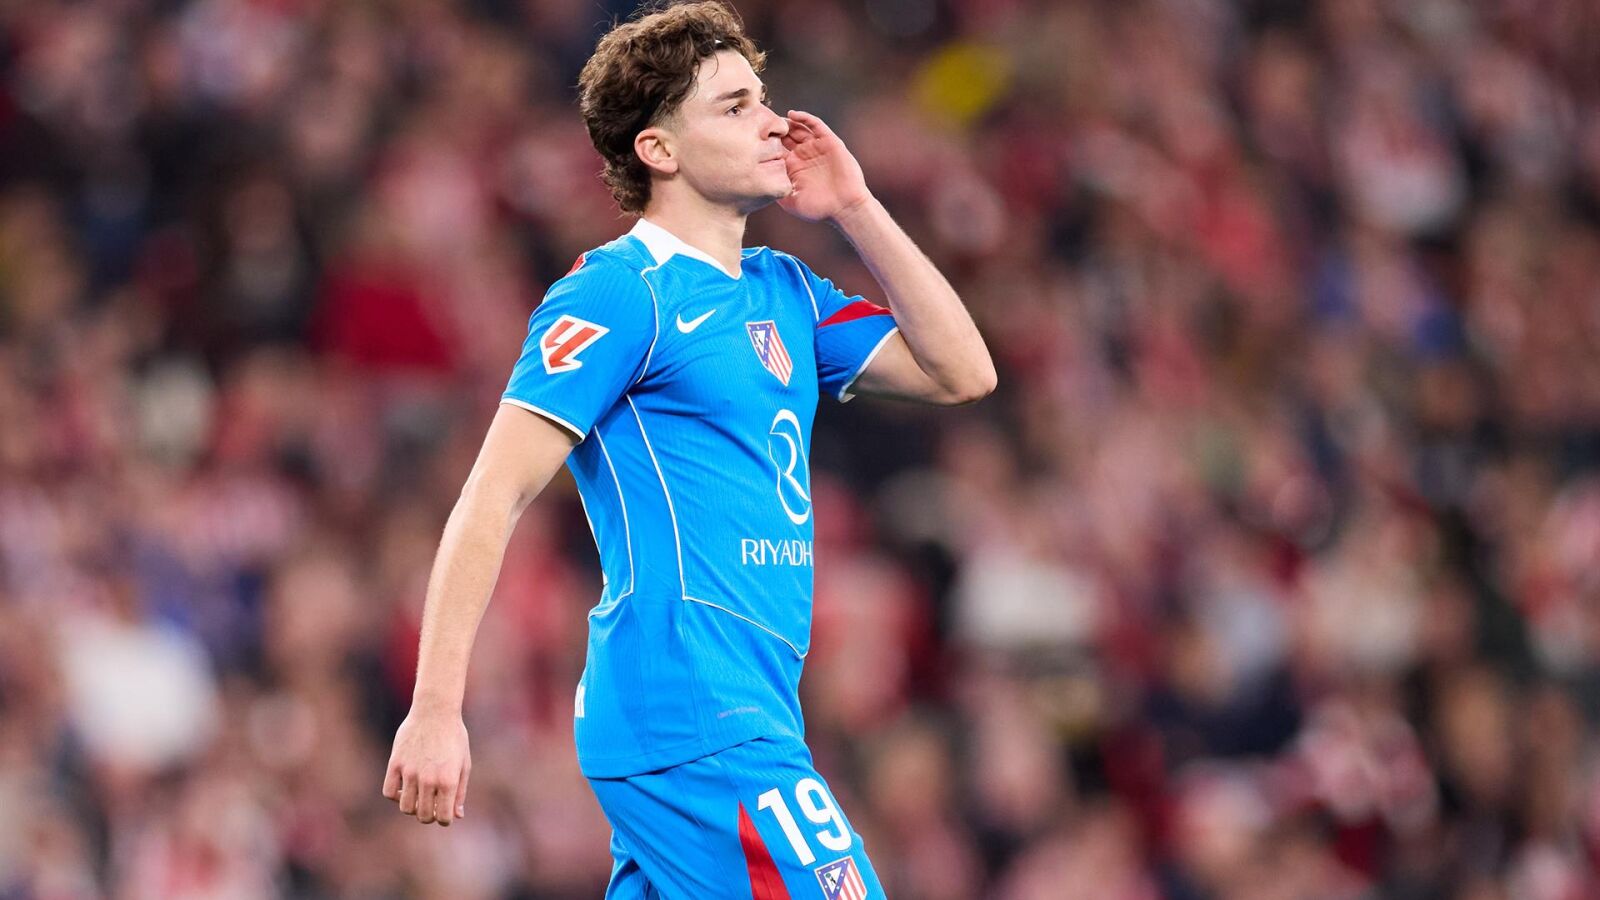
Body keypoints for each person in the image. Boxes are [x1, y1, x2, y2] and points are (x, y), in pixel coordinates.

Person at [380, 1, 995, 895]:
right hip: (692, 709)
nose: (773, 123)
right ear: (659, 150)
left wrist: (856, 207)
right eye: (735, 107)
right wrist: (436, 707)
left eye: (764, 99)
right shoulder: (620, 292)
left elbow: (961, 371)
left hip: (749, 707)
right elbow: (492, 494)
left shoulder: (786, 290)